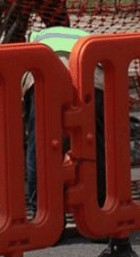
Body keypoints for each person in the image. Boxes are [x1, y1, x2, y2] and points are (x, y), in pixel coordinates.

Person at [22, 26, 105, 210]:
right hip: (92, 73)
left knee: (39, 144)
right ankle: (98, 210)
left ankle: (42, 213)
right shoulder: (85, 35)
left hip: (45, 75)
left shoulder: (33, 40)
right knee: (96, 142)